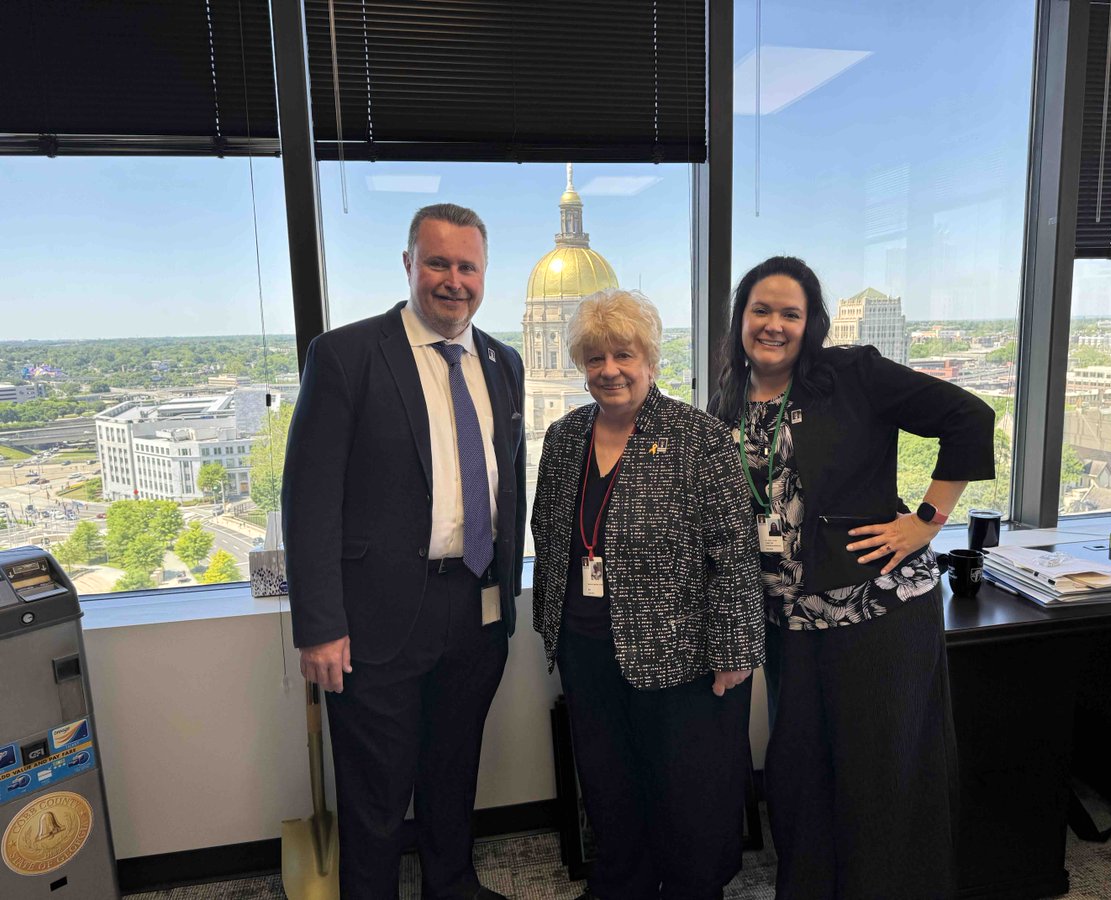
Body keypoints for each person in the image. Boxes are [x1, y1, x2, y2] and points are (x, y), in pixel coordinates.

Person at [710, 256, 995, 899]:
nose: (774, 325)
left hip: (877, 614)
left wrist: (925, 520)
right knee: (799, 777)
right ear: (740, 319)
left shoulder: (850, 374)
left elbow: (969, 418)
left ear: (812, 324)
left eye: (791, 313)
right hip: (789, 626)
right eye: (762, 310)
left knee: (881, 777)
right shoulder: (725, 397)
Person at [282, 203, 524, 900]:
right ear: (409, 265)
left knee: (454, 773)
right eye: (438, 263)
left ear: (484, 273)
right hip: (375, 618)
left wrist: (505, 601)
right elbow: (310, 500)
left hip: (474, 609)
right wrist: (320, 625)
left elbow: (510, 486)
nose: (454, 280)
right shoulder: (346, 355)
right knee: (376, 795)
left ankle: (453, 886)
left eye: (468, 266)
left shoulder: (502, 363)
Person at [531, 289, 765, 900]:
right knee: (609, 787)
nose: (609, 370)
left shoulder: (698, 438)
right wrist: (548, 623)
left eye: (624, 355)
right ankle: (621, 884)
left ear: (651, 360)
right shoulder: (563, 438)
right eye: (595, 358)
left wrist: (735, 650)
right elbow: (548, 531)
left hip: (682, 657)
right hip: (586, 649)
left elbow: (734, 552)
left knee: (690, 795)